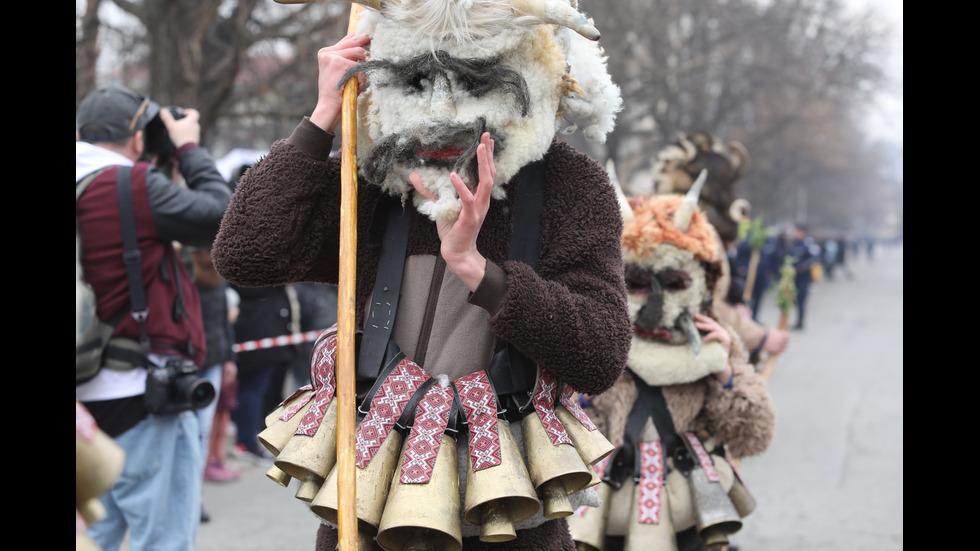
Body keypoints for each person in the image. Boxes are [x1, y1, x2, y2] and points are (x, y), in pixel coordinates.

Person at [211, 2, 632, 549]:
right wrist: (320, 119)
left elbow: (600, 352)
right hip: (371, 503)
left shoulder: (569, 185)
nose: (438, 111)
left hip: (508, 514)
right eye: (417, 81)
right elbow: (245, 253)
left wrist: (482, 273)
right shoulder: (374, 178)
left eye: (470, 83)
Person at [568, 190, 776, 551]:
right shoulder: (598, 337)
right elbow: (565, 434)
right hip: (611, 495)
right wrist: (579, 398)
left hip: (690, 498)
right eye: (636, 284)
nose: (654, 306)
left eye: (674, 284)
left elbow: (752, 435)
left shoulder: (715, 342)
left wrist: (726, 371)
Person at [75, 83, 232, 551]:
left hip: (84, 410)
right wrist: (188, 148)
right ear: (139, 138)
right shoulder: (131, 184)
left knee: (92, 537)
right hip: (143, 396)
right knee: (163, 541)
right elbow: (225, 214)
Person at [651, 132, 790, 364]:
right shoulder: (691, 229)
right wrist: (759, 337)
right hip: (686, 361)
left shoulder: (670, 222)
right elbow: (700, 300)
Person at [189, 246, 241, 485]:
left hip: (213, 360)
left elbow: (224, 325)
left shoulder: (218, 280)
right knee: (194, 427)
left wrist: (229, 358)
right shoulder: (188, 279)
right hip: (191, 362)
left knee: (204, 424)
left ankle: (198, 481)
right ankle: (193, 482)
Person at [788, 223, 821, 330]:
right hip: (793, 276)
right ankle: (791, 321)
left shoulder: (809, 244)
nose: (795, 233)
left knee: (802, 299)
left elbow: (816, 258)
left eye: (797, 231)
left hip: (804, 277)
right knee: (793, 299)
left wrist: (805, 266)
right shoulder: (794, 244)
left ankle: (800, 322)